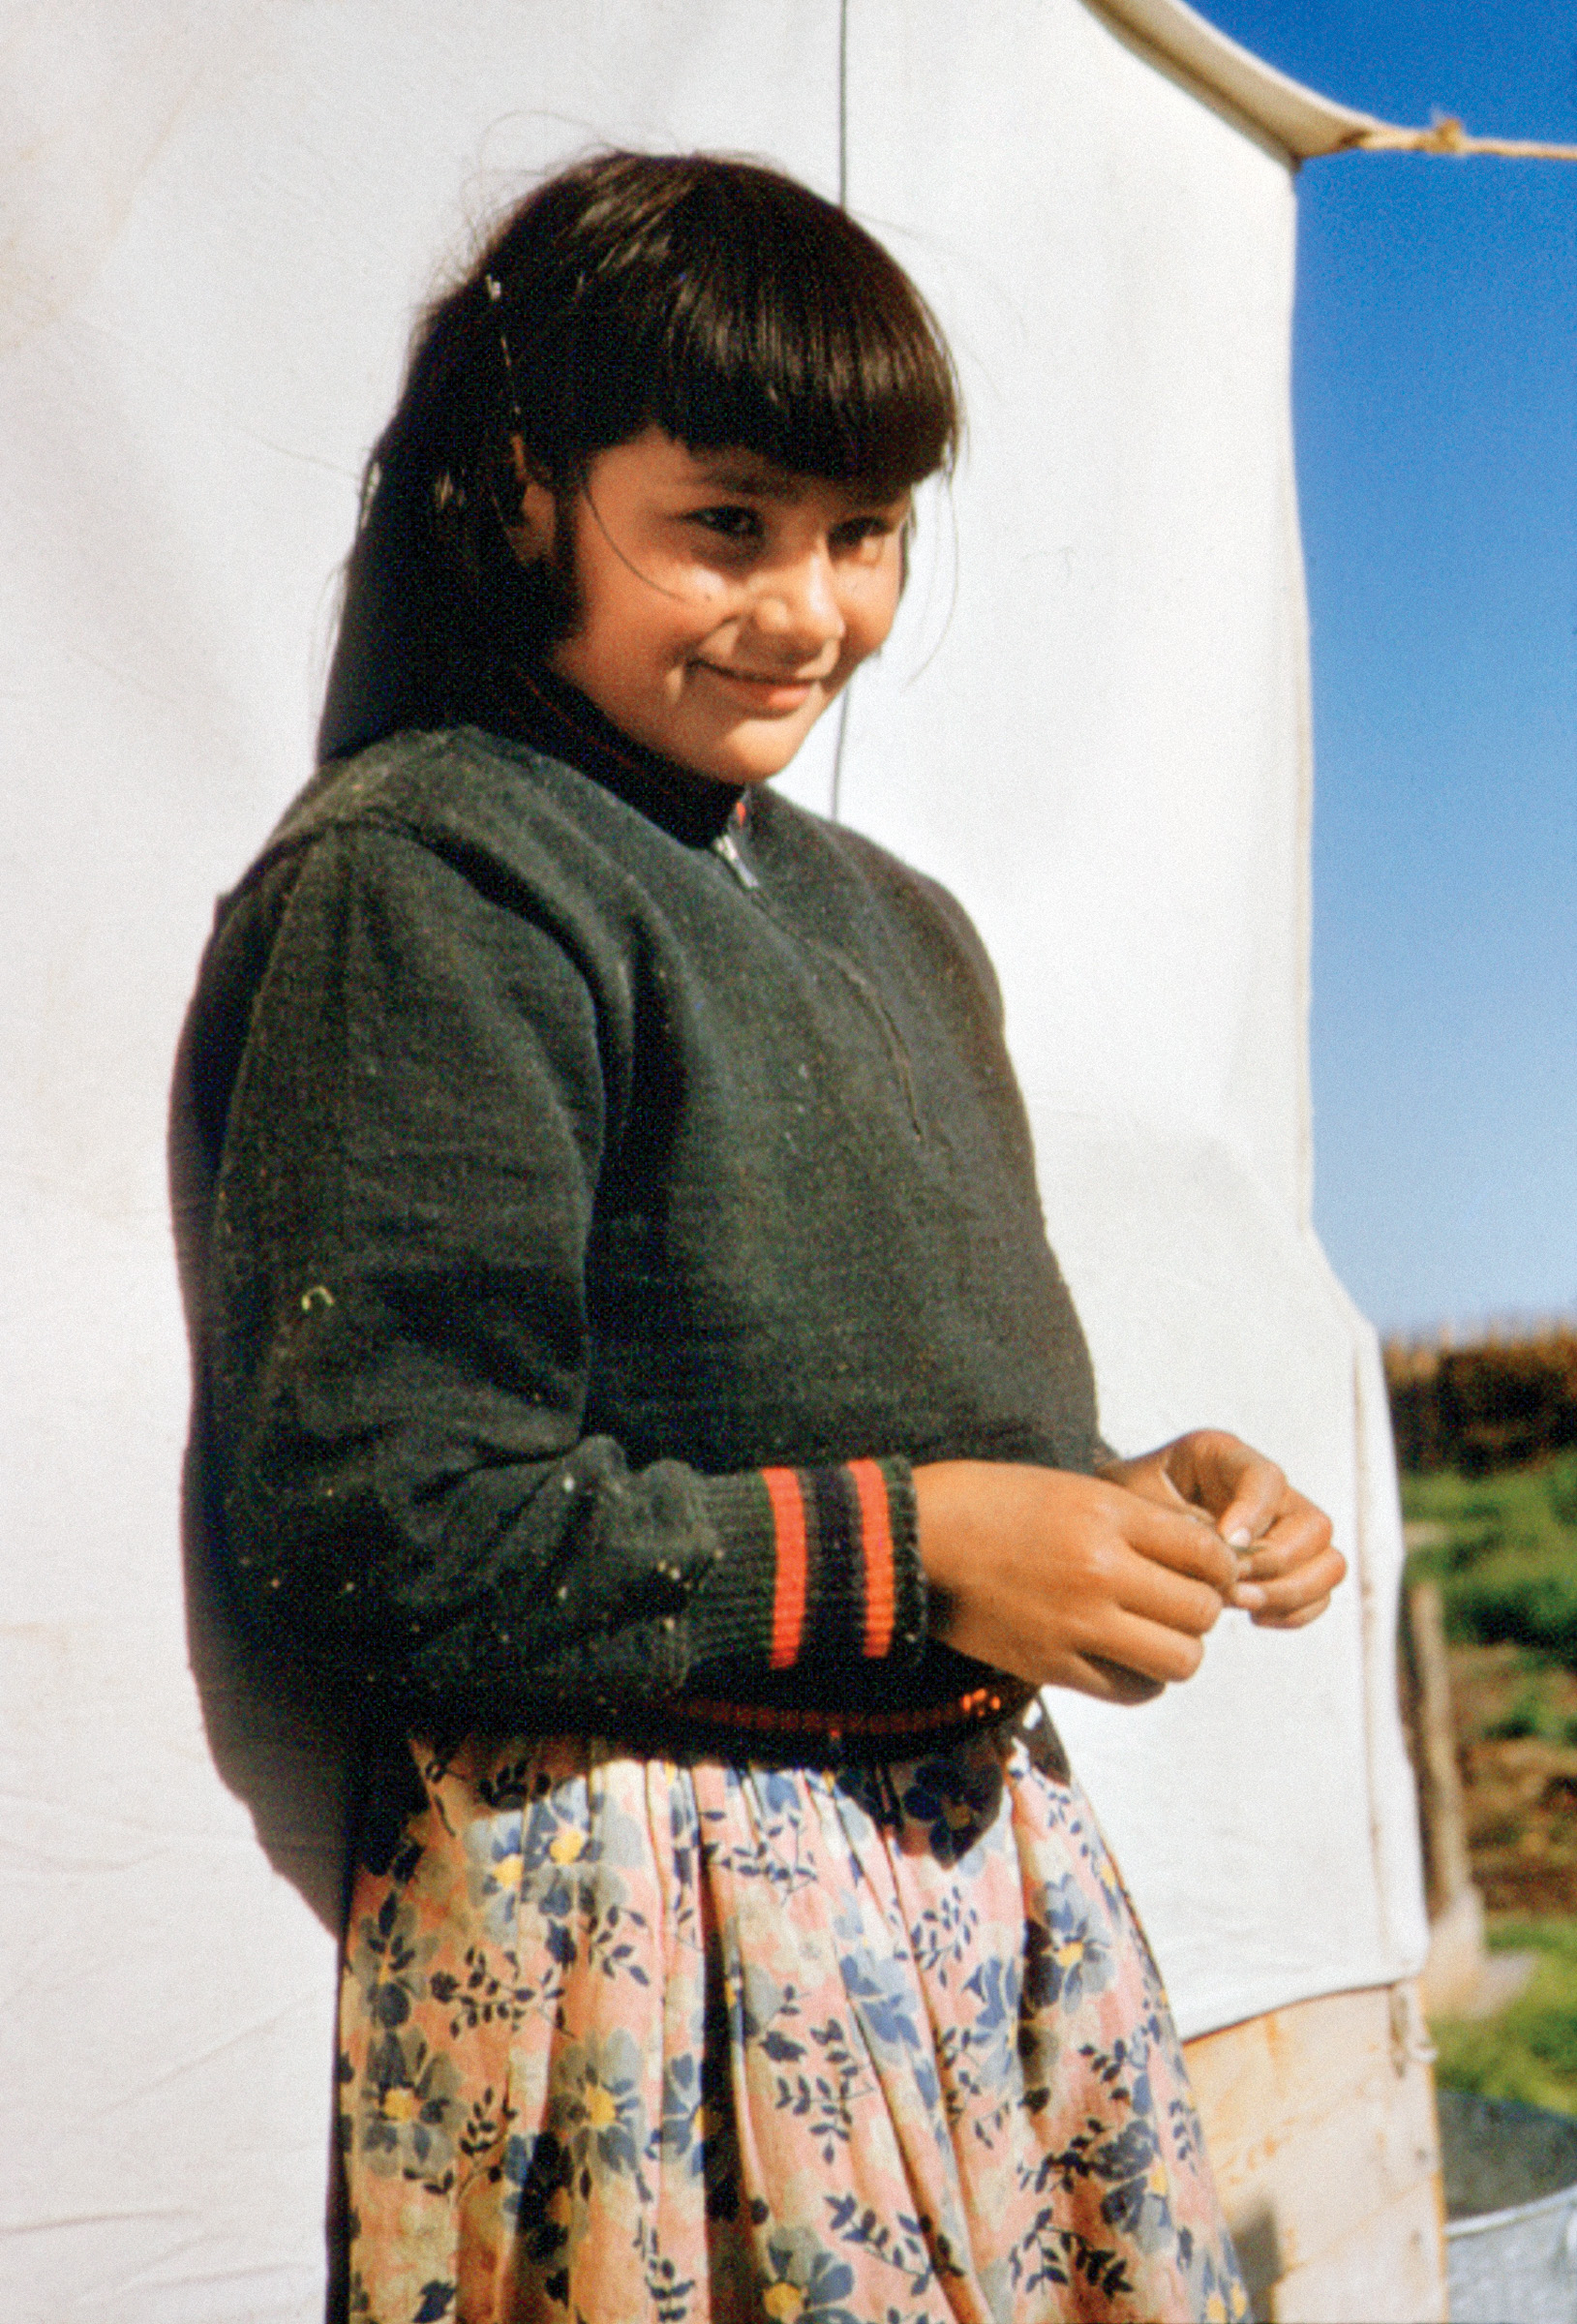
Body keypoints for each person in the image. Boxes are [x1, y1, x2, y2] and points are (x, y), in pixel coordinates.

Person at [181, 150, 1345, 2324]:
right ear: (529, 489)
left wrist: (1128, 1506)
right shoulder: (436, 875)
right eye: (724, 522)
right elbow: (374, 1512)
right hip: (676, 1944)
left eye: (862, 534)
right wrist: (924, 1554)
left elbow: (889, 1417)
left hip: (982, 1891)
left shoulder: (897, 929)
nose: (806, 608)